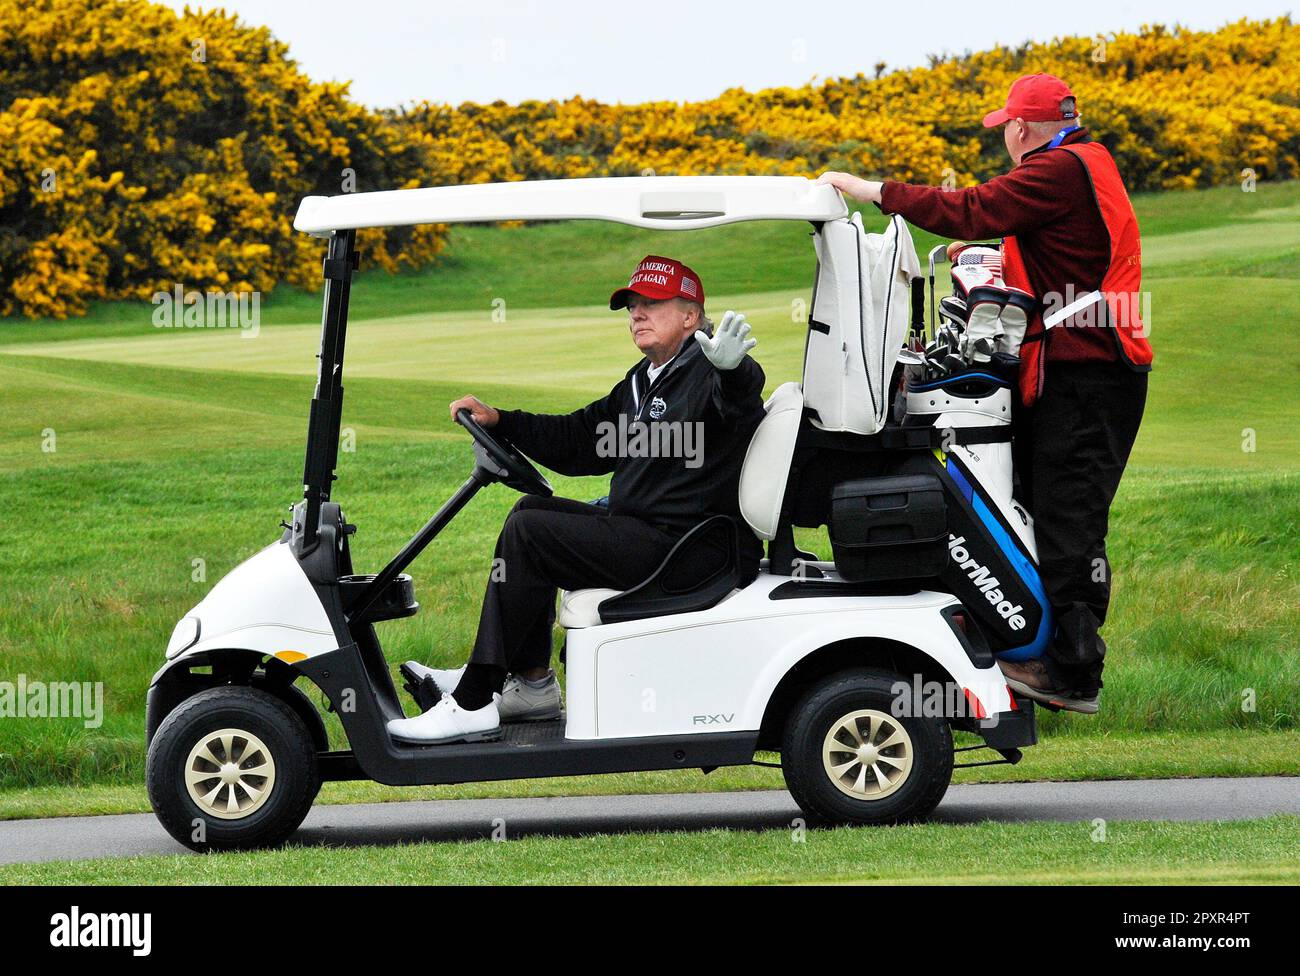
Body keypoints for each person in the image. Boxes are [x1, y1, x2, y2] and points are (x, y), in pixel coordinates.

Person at [818, 73, 1153, 714]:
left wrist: (873, 192)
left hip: (1089, 375)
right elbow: (1041, 246)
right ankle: (1029, 639)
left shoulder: (1056, 171)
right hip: (1084, 370)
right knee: (1037, 506)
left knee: (1069, 520)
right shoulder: (1087, 160)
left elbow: (972, 206)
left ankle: (1074, 673)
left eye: (1004, 126)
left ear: (1021, 128)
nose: (1004, 135)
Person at [388, 255, 767, 743]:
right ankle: (532, 685)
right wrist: (502, 420)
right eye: (632, 306)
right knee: (531, 514)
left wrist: (735, 372)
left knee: (532, 531)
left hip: (689, 551)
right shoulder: (641, 381)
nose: (637, 314)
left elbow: (739, 408)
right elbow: (580, 440)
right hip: (648, 536)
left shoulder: (710, 368)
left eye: (652, 304)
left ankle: (474, 698)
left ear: (690, 316)